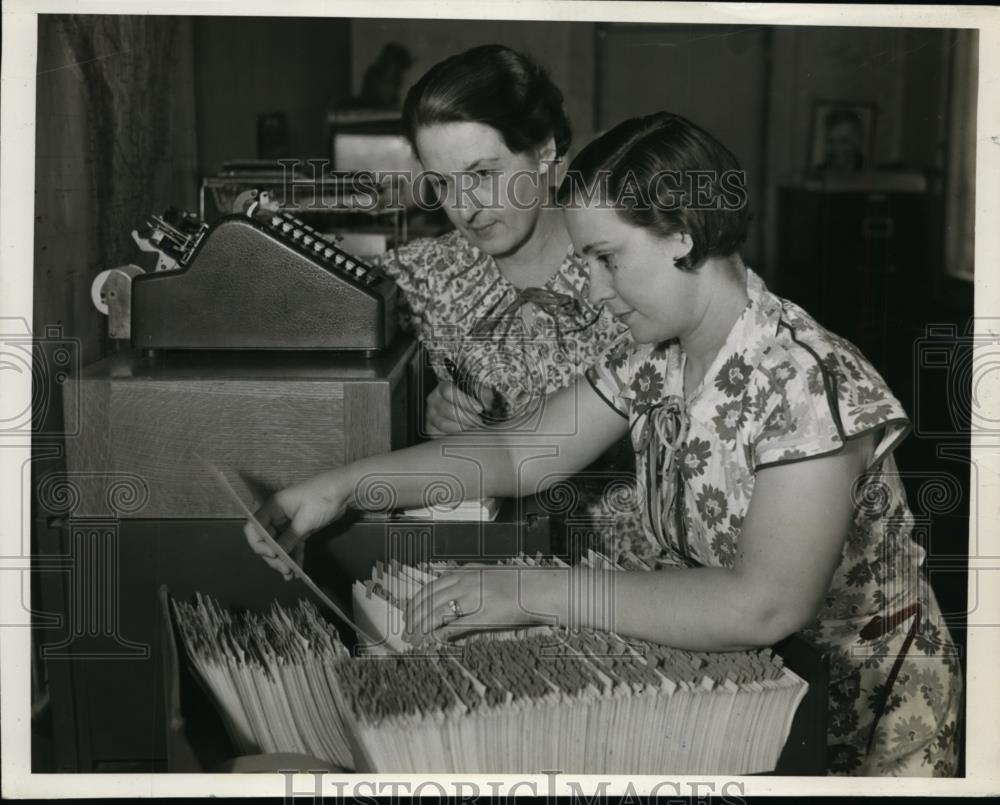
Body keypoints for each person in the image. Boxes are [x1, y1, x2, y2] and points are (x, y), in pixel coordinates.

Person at [245, 112, 961, 777]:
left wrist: (532, 592)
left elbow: (764, 604)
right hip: (752, 695)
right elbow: (519, 451)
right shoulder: (659, 355)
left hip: (862, 725)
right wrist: (336, 486)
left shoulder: (807, 379)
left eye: (606, 258)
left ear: (682, 234)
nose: (590, 288)